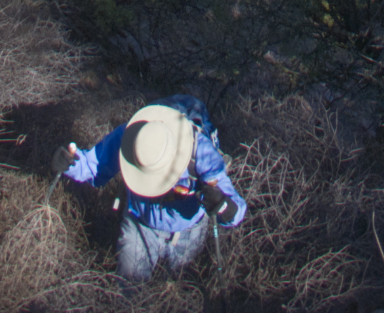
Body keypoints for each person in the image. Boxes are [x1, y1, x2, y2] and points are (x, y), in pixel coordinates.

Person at [53, 94, 246, 282]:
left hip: (188, 232)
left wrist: (223, 206)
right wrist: (70, 163)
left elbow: (235, 207)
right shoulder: (132, 137)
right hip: (139, 225)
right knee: (129, 293)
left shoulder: (200, 149)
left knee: (178, 295)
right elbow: (92, 166)